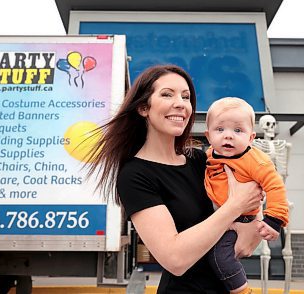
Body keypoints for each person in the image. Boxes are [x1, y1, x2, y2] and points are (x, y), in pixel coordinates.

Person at [84, 64, 264, 293]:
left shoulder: (201, 160)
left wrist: (247, 213)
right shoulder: (135, 176)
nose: (181, 103)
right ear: (143, 108)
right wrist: (234, 206)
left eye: (186, 96)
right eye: (167, 94)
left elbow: (246, 243)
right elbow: (175, 259)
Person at [203, 97, 289, 293]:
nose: (228, 136)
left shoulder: (256, 161)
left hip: (242, 219)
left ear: (251, 137)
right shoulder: (209, 155)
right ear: (208, 136)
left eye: (238, 130)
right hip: (218, 217)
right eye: (220, 129)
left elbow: (275, 186)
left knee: (220, 256)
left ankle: (241, 290)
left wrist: (274, 220)